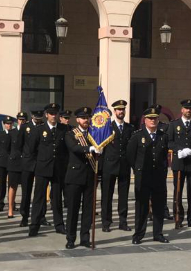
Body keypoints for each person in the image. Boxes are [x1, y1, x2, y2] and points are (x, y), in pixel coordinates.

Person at [127, 106, 170, 244]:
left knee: (159, 206)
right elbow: (130, 156)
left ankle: (158, 233)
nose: (153, 120)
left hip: (158, 177)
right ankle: (138, 234)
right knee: (141, 206)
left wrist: (163, 170)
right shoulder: (137, 136)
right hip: (143, 177)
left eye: (155, 118)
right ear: (145, 120)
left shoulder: (163, 136)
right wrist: (138, 169)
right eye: (150, 118)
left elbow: (164, 156)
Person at [29, 103, 68, 236]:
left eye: (55, 113)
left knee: (57, 198)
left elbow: (66, 150)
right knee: (39, 198)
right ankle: (34, 225)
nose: (53, 116)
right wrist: (36, 166)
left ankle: (59, 225)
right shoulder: (39, 129)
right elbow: (32, 150)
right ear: (46, 115)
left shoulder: (64, 129)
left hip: (58, 169)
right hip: (42, 168)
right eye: (51, 113)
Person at [64, 107, 100, 249]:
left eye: (88, 117)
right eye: (83, 118)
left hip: (90, 175)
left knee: (88, 209)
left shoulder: (94, 134)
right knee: (73, 209)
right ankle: (70, 238)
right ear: (77, 119)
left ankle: (85, 237)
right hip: (75, 176)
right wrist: (89, 148)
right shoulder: (71, 134)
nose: (86, 120)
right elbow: (74, 148)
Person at [167, 99, 191, 229]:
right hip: (179, 162)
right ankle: (178, 217)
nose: (188, 110)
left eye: (190, 108)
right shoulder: (174, 124)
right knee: (178, 192)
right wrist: (179, 150)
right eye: (186, 108)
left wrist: (190, 150)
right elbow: (169, 141)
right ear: (182, 110)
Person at [101, 100, 134, 232]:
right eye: (118, 110)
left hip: (124, 166)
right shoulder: (107, 127)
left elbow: (131, 148)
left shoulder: (130, 128)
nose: (121, 112)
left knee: (123, 196)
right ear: (114, 112)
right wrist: (100, 168)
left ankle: (123, 221)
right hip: (109, 165)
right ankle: (106, 222)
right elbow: (102, 147)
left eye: (123, 109)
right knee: (107, 196)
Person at [19, 110, 43, 227]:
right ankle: (24, 216)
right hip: (27, 162)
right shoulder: (25, 127)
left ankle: (41, 216)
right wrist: (24, 157)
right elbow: (19, 144)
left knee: (40, 192)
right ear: (32, 116)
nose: (37, 120)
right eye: (36, 117)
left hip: (40, 162)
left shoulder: (43, 127)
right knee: (26, 191)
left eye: (39, 118)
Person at [5, 112, 26, 219]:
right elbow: (7, 148)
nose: (21, 121)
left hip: (25, 162)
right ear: (17, 120)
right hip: (14, 162)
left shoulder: (28, 131)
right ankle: (10, 209)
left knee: (25, 187)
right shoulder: (12, 132)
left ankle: (24, 209)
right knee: (12, 186)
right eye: (20, 119)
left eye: (23, 120)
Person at [0, 116, 14, 213]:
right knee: (2, 184)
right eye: (7, 123)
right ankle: (0, 204)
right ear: (4, 124)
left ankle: (12, 204)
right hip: (2, 162)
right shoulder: (0, 134)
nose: (8, 125)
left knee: (12, 184)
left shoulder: (15, 134)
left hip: (12, 162)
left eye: (10, 124)